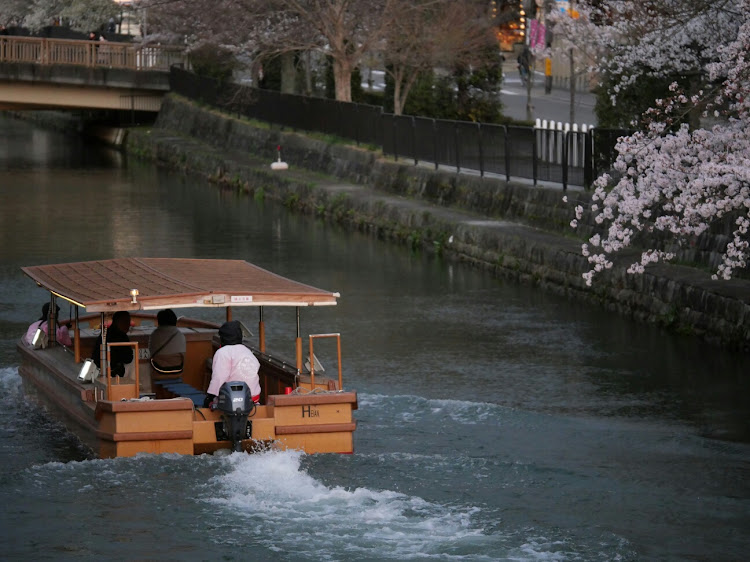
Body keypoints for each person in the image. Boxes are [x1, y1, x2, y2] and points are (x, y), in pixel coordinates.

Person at [203, 321, 260, 407]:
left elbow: (219, 378)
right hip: (253, 400)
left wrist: (209, 397)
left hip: (231, 401)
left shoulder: (222, 352)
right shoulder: (247, 352)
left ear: (223, 338)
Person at [92, 311, 133, 377]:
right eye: (126, 322)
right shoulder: (121, 336)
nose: (128, 325)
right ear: (117, 322)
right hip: (112, 373)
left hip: (98, 369)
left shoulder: (105, 333)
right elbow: (128, 358)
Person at [149, 309, 186, 374]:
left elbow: (151, 352)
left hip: (159, 369)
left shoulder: (154, 334)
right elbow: (183, 355)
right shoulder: (180, 335)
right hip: (178, 369)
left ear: (159, 321)